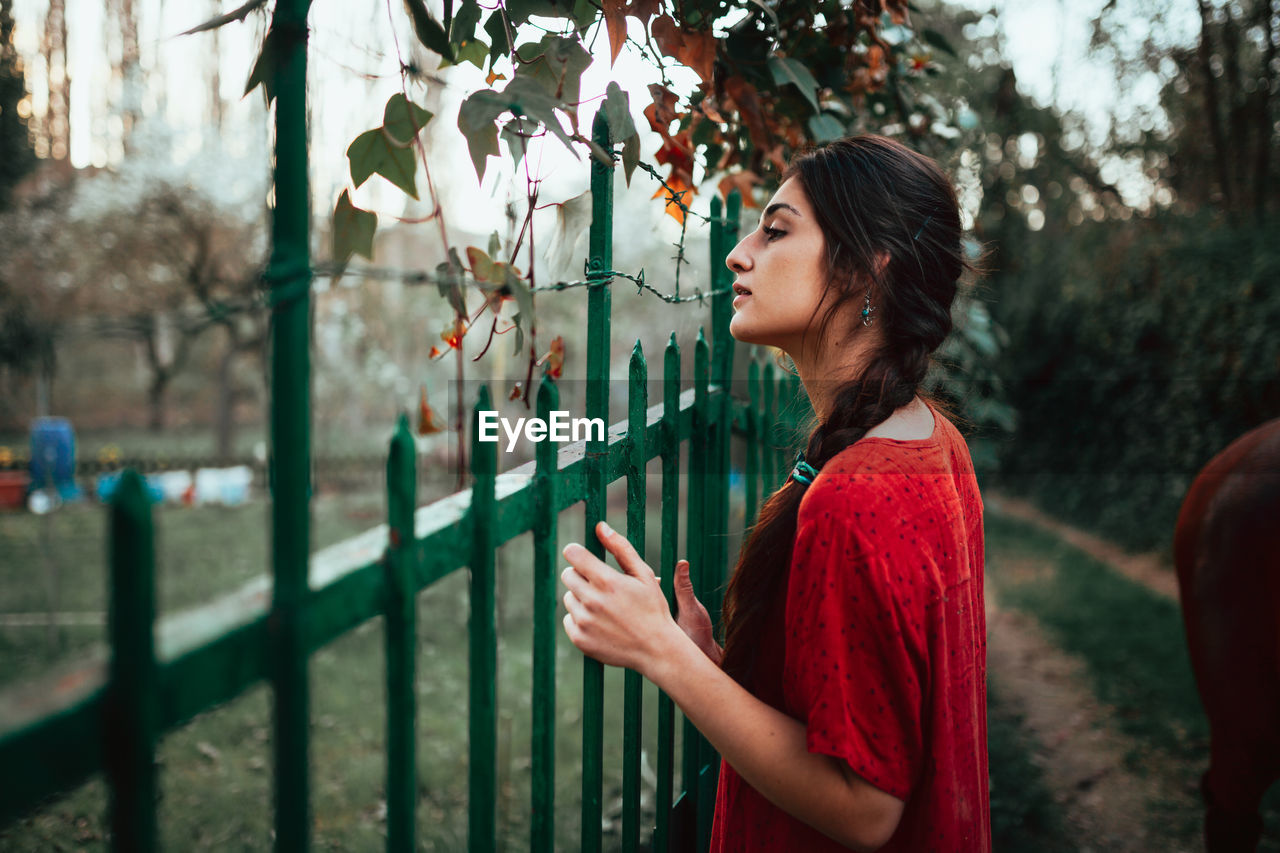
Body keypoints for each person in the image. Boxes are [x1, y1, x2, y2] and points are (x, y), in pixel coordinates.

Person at [560, 134, 989, 852]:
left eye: (777, 229)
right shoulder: (935, 443)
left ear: (865, 268)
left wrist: (662, 651)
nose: (740, 252)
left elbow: (867, 806)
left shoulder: (854, 497)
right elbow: (874, 704)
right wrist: (714, 667)